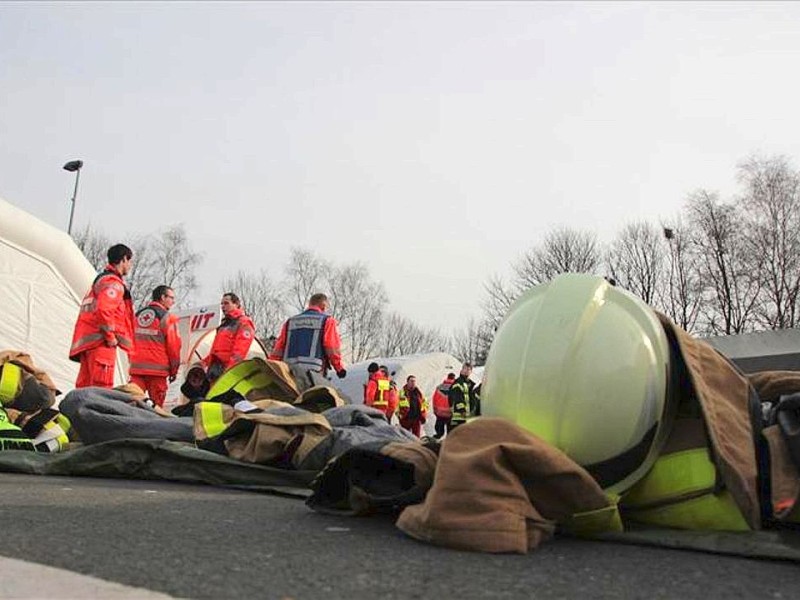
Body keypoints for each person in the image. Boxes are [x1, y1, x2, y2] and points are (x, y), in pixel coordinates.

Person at [69, 244, 135, 389]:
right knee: (101, 390)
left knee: (84, 389)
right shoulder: (113, 284)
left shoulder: (99, 283)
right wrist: (110, 337)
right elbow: (104, 310)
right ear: (123, 259)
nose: (130, 266)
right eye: (129, 261)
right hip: (101, 343)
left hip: (89, 344)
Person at [269, 293, 346, 389]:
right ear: (323, 306)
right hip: (314, 374)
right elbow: (331, 348)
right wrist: (339, 368)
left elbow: (278, 349)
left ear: (310, 304)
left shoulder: (290, 322)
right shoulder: (327, 321)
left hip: (290, 373)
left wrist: (270, 366)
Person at [128, 285, 182, 407]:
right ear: (163, 297)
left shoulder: (137, 315)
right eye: (171, 298)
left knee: (132, 404)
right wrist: (174, 371)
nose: (173, 302)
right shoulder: (168, 318)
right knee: (156, 408)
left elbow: (129, 339)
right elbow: (174, 347)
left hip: (137, 368)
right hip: (157, 371)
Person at [202, 292, 256, 383]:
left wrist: (229, 372)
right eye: (222, 304)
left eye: (226, 303)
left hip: (227, 372)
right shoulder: (224, 325)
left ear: (237, 304)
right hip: (215, 370)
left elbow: (239, 352)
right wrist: (204, 362)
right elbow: (215, 350)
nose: (223, 306)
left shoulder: (243, 323)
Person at [448, 362, 476, 430]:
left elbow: (471, 399)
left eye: (469, 369)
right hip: (459, 416)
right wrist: (462, 410)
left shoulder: (469, 384)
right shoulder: (458, 383)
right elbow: (457, 397)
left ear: (471, 372)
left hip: (466, 416)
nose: (466, 371)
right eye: (465, 369)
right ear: (461, 370)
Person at [432, 372, 456, 439]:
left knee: (439, 432)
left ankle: (436, 442)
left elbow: (434, 399)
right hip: (450, 413)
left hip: (440, 413)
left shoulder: (439, 387)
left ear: (447, 377)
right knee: (451, 433)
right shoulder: (456, 387)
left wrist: (435, 410)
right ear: (454, 378)